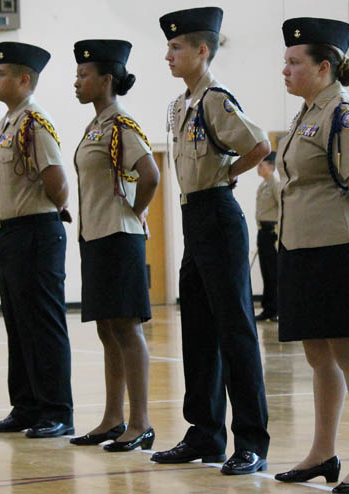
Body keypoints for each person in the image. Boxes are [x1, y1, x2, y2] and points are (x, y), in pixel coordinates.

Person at [150, 6, 271, 476]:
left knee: (235, 331)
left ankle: (251, 441)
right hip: (194, 216)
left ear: (202, 50)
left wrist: (228, 173)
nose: (168, 55)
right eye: (168, 47)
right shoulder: (181, 104)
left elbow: (259, 145)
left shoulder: (216, 99)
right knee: (198, 329)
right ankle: (204, 433)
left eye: (176, 47)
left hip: (218, 214)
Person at [272, 18, 349, 494]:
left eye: (294, 62)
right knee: (319, 355)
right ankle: (323, 451)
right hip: (303, 247)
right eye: (285, 61)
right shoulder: (307, 114)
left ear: (324, 67)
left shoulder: (342, 112)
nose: (285, 69)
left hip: (340, 247)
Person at [68, 39, 160, 452]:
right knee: (107, 329)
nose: (76, 81)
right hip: (97, 237)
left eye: (83, 74)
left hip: (119, 237)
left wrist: (136, 212)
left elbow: (151, 174)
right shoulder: (96, 126)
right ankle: (112, 418)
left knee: (126, 327)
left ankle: (140, 422)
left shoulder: (122, 125)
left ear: (106, 80)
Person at [0, 42, 75, 439]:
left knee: (43, 324)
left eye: (1, 74)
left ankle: (56, 410)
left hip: (37, 230)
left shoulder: (35, 122)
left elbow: (58, 182)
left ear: (24, 79)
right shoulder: (9, 122)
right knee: (18, 324)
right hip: (12, 232)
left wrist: (53, 208)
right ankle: (26, 406)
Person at [254, 151, 280, 322]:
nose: (258, 168)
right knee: (265, 272)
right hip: (263, 232)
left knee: (273, 273)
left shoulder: (275, 184)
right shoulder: (263, 185)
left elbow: (282, 208)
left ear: (271, 166)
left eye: (261, 165)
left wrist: (279, 234)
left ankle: (276, 309)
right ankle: (268, 309)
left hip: (273, 233)